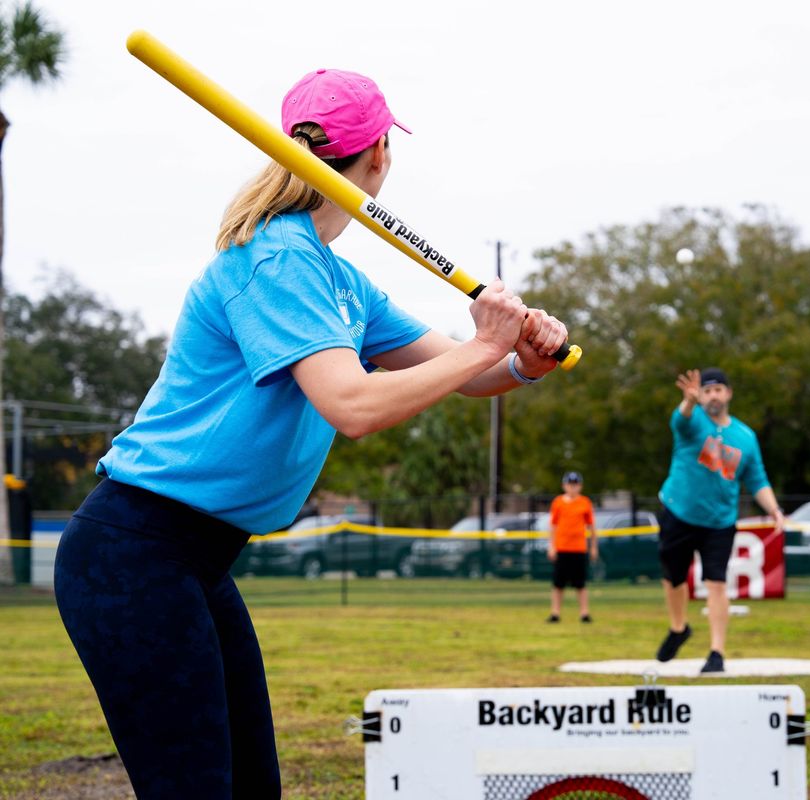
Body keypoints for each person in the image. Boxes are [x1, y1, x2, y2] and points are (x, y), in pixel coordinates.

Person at [52, 67, 567, 799]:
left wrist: (519, 362)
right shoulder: (278, 258)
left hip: (193, 558)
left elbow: (460, 370)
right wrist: (486, 346)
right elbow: (353, 406)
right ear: (380, 155)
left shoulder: (337, 278)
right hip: (136, 551)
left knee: (252, 788)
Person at [655, 367, 786, 674]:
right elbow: (680, 419)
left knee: (716, 582)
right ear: (701, 395)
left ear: (728, 394)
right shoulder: (693, 421)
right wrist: (687, 402)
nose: (713, 395)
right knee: (673, 577)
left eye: (718, 390)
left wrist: (775, 510)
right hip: (679, 512)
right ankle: (678, 629)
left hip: (719, 522)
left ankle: (717, 653)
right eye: (707, 391)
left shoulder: (745, 437)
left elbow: (757, 479)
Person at [546, 471, 598, 623]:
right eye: (570, 484)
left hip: (578, 548)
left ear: (580, 486)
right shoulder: (558, 503)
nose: (572, 488)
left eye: (575, 485)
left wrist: (594, 547)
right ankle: (555, 613)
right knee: (558, 583)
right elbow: (553, 526)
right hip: (562, 547)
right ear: (564, 486)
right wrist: (552, 546)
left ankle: (584, 613)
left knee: (580, 584)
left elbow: (591, 527)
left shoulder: (585, 502)